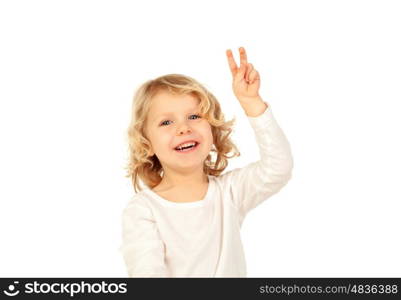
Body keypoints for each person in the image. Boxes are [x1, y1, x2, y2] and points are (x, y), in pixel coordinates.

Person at [120, 47, 294, 277]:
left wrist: (251, 102)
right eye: (166, 122)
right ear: (147, 144)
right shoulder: (144, 209)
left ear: (211, 128)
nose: (183, 128)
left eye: (194, 116)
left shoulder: (229, 193)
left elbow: (278, 168)